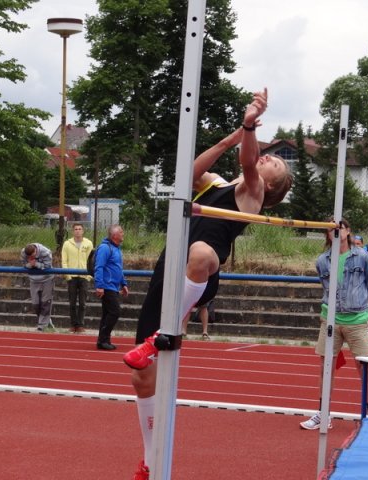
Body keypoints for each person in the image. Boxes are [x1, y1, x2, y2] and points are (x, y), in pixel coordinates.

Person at [123, 89, 293, 480]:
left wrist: (249, 125)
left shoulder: (253, 193)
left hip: (203, 268)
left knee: (200, 252)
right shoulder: (217, 184)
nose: (270, 160)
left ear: (272, 188)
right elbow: (189, 173)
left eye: (276, 166)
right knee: (141, 377)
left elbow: (249, 163)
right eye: (272, 157)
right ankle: (149, 459)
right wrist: (230, 138)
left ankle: (167, 330)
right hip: (170, 267)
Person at [300, 219, 368, 430]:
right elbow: (324, 286)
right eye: (330, 228)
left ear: (348, 230)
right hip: (330, 319)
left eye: (339, 227)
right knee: (326, 368)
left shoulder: (363, 257)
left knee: (364, 368)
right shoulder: (322, 260)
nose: (335, 231)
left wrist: (358, 303)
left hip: (357, 320)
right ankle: (323, 413)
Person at [94, 224, 128, 350]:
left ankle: (103, 340)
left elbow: (118, 268)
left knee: (107, 313)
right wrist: (99, 286)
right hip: (107, 286)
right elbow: (99, 267)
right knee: (115, 311)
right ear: (114, 235)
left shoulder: (116, 249)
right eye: (121, 231)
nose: (123, 233)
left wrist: (123, 283)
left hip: (113, 286)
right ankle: (103, 339)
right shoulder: (105, 248)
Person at [61, 223, 93, 333]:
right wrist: (67, 275)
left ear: (83, 231)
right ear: (72, 231)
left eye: (80, 229)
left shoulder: (88, 243)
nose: (78, 231)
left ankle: (80, 324)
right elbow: (64, 261)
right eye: (76, 229)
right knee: (72, 302)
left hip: (84, 276)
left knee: (83, 303)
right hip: (72, 276)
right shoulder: (67, 244)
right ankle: (73, 324)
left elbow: (91, 261)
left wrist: (89, 276)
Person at [21, 243, 55, 332]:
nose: (33, 256)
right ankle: (47, 322)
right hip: (33, 279)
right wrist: (30, 265)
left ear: (36, 251)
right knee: (35, 304)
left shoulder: (46, 252)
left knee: (45, 303)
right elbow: (24, 264)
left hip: (47, 278)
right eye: (30, 256)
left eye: (34, 255)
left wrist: (36, 264)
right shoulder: (23, 253)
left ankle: (42, 326)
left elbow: (47, 266)